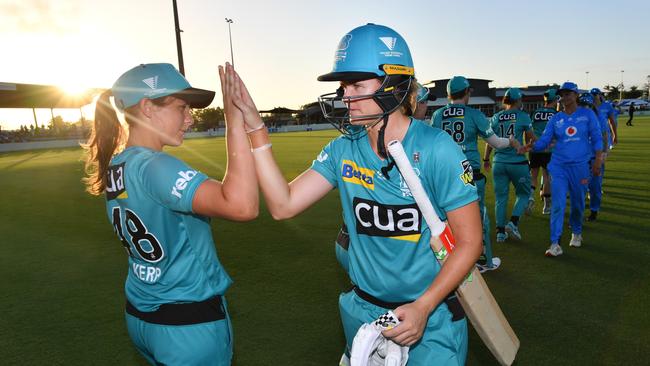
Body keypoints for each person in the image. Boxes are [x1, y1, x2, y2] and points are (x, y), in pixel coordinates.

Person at [235, 23, 482, 365]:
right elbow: (283, 205)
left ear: (394, 84)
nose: (345, 96)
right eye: (343, 86)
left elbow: (470, 242)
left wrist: (424, 306)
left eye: (356, 85)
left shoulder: (437, 149)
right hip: (364, 311)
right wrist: (256, 129)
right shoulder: (343, 150)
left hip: (430, 313)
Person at [82, 63, 258, 365]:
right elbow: (241, 205)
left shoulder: (118, 164)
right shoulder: (156, 165)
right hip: (186, 325)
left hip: (143, 315)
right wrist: (235, 123)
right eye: (181, 107)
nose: (189, 118)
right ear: (148, 107)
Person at [432, 76, 520, 272]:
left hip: (445, 175)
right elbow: (496, 142)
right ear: (467, 92)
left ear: (448, 94)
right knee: (477, 220)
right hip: (468, 174)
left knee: (446, 218)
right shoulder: (474, 114)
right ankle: (481, 261)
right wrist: (511, 142)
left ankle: (447, 258)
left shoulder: (438, 114)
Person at [527, 82, 603, 257]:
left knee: (577, 204)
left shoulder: (587, 114)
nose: (564, 97)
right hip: (559, 167)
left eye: (568, 94)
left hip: (580, 167)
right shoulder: (556, 118)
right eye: (562, 94)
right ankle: (555, 244)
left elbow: (597, 138)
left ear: (576, 95)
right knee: (558, 204)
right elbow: (544, 141)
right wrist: (530, 147)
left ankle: (576, 232)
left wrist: (598, 160)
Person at [483, 88, 535, 242]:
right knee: (524, 194)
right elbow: (532, 140)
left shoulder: (496, 117)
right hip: (517, 162)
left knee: (501, 198)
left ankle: (500, 233)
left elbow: (489, 141)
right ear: (518, 100)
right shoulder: (523, 116)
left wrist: (486, 159)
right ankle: (513, 223)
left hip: (498, 162)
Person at [579, 93, 610, 222]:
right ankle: (577, 216)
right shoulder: (576, 117)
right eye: (582, 105)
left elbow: (604, 136)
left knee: (595, 186)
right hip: (580, 158)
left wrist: (603, 153)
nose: (584, 107)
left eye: (586, 105)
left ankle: (594, 210)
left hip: (595, 157)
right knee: (579, 187)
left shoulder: (599, 117)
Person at [528, 88, 559, 215]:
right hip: (548, 150)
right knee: (547, 177)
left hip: (535, 148)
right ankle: (546, 206)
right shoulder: (556, 114)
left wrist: (529, 144)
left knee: (533, 176)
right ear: (555, 99)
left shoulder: (535, 112)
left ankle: (530, 198)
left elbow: (528, 130)